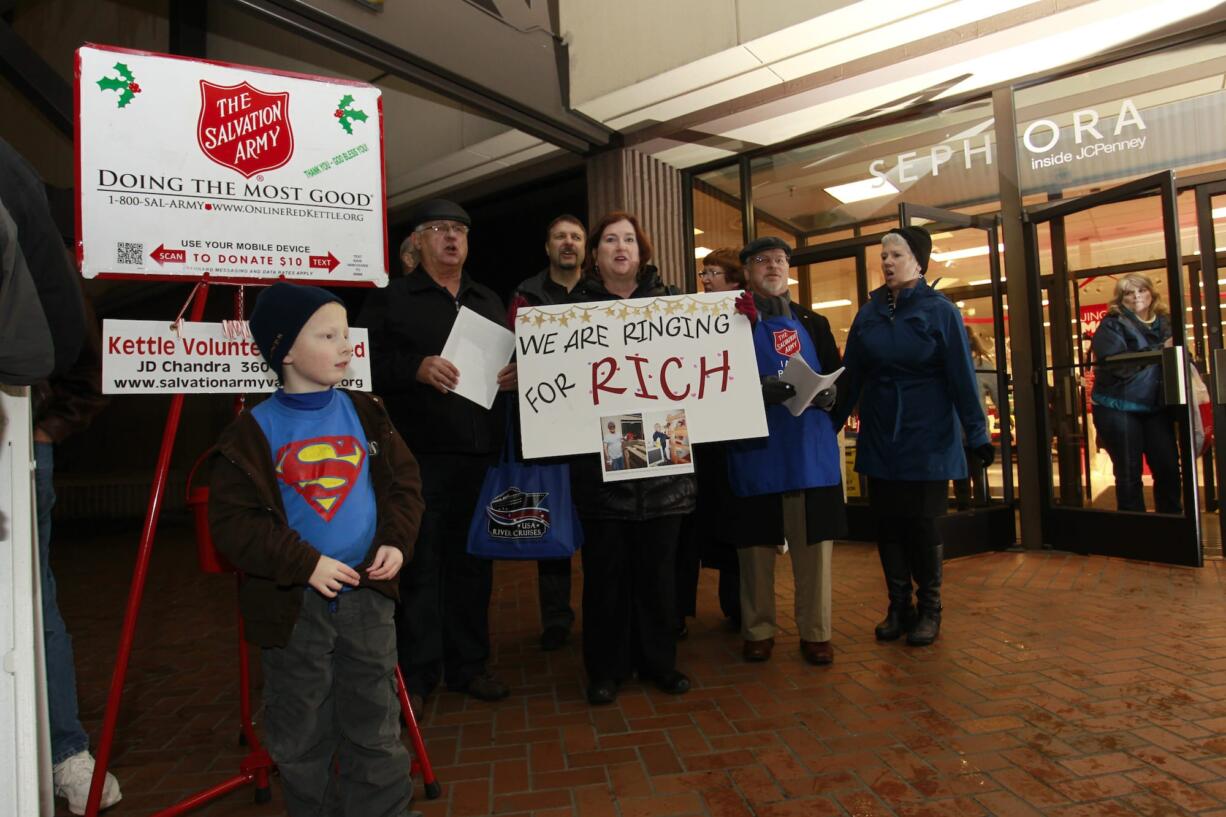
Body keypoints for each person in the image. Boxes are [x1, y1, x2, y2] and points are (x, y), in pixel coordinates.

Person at [208, 283, 425, 816]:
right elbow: (234, 525)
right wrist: (303, 563)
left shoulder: (368, 412)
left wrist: (396, 540)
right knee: (300, 730)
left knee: (374, 724)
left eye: (346, 334)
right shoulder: (249, 436)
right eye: (328, 335)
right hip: (293, 611)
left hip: (367, 596)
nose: (345, 345)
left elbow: (404, 485)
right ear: (284, 349)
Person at [358, 199, 516, 711]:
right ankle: (420, 677)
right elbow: (363, 364)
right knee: (421, 565)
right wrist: (415, 368)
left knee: (474, 564)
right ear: (419, 241)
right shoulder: (393, 299)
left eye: (460, 231)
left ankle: (470, 666)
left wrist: (515, 377)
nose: (452, 238)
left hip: (480, 455)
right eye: (440, 229)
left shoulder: (486, 299)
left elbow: (511, 365)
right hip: (419, 457)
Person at [834, 226, 991, 647]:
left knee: (920, 524)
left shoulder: (939, 311)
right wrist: (827, 421)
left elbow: (962, 377)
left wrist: (977, 434)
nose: (886, 261)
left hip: (928, 436)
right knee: (887, 524)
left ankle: (930, 608)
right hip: (881, 434)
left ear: (919, 262)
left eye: (896, 254)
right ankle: (898, 605)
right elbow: (851, 377)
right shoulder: (868, 313)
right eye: (883, 255)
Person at [569, 211, 696, 705]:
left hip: (665, 455)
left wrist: (735, 323)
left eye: (629, 239)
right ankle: (606, 669)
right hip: (601, 467)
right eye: (609, 240)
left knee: (659, 575)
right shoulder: (570, 313)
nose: (620, 247)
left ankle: (659, 662)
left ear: (642, 253)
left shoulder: (673, 305)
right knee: (606, 577)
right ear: (595, 255)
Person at [722, 236, 846, 666]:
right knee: (754, 552)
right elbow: (714, 387)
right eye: (761, 261)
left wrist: (831, 397)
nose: (773, 266)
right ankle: (758, 628)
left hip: (809, 451)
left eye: (779, 260)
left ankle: (817, 631)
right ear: (748, 272)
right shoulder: (730, 322)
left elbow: (836, 377)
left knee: (815, 552)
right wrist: (757, 391)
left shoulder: (815, 322)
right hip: (756, 451)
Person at [507, 215, 586, 651]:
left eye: (576, 237)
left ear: (584, 248)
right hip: (548, 429)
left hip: (595, 431)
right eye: (561, 237)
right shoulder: (526, 295)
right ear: (548, 246)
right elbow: (510, 351)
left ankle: (603, 612)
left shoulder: (602, 293)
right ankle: (556, 619)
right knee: (552, 530)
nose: (569, 243)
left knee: (600, 528)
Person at [680, 248, 747, 635]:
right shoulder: (688, 316)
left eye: (714, 273)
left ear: (735, 280)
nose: (705, 279)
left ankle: (736, 605)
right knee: (690, 530)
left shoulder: (746, 317)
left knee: (732, 528)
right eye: (704, 272)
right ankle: (680, 612)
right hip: (696, 442)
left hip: (731, 443)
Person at [1090, 272, 1180, 513]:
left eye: (1141, 290)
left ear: (1152, 293)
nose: (1136, 296)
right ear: (1121, 299)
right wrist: (1162, 350)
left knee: (1168, 467)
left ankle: (1172, 525)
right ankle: (1135, 531)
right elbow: (1118, 365)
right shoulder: (1111, 324)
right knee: (1129, 472)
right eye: (1129, 292)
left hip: (1156, 406)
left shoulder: (1166, 321)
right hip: (1118, 406)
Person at [954, 329, 999, 509]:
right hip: (975, 432)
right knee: (978, 476)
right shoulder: (982, 366)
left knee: (961, 478)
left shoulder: (952, 365)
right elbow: (998, 396)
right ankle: (980, 513)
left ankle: (963, 512)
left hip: (957, 431)